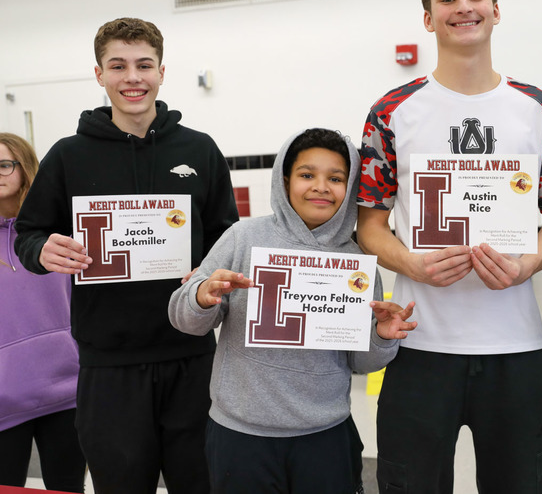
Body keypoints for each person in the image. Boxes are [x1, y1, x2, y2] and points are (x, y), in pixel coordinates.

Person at [356, 0, 542, 492]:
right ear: (428, 18)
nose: (463, 7)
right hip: (419, 346)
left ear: (496, 10)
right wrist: (412, 264)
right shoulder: (391, 111)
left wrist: (527, 265)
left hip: (514, 348)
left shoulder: (540, 109)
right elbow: (369, 225)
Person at [14, 18, 239, 494]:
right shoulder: (68, 156)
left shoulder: (199, 150)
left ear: (162, 72)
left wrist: (213, 270)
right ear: (99, 74)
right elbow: (29, 234)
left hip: (192, 356)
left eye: (144, 65)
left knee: (202, 483)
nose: (132, 77)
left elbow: (227, 237)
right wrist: (42, 250)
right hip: (108, 364)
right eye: (118, 66)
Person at [169, 127, 417, 493]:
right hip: (240, 434)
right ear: (285, 182)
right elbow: (185, 320)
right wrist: (203, 296)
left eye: (336, 178)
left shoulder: (358, 263)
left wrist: (381, 336)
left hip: (326, 434)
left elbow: (361, 363)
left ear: (349, 188)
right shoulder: (243, 238)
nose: (321, 187)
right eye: (307, 175)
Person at [0, 133, 85, 492]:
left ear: (25, 167)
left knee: (67, 487)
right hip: (3, 400)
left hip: (66, 391)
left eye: (4, 165)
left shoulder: (57, 234)